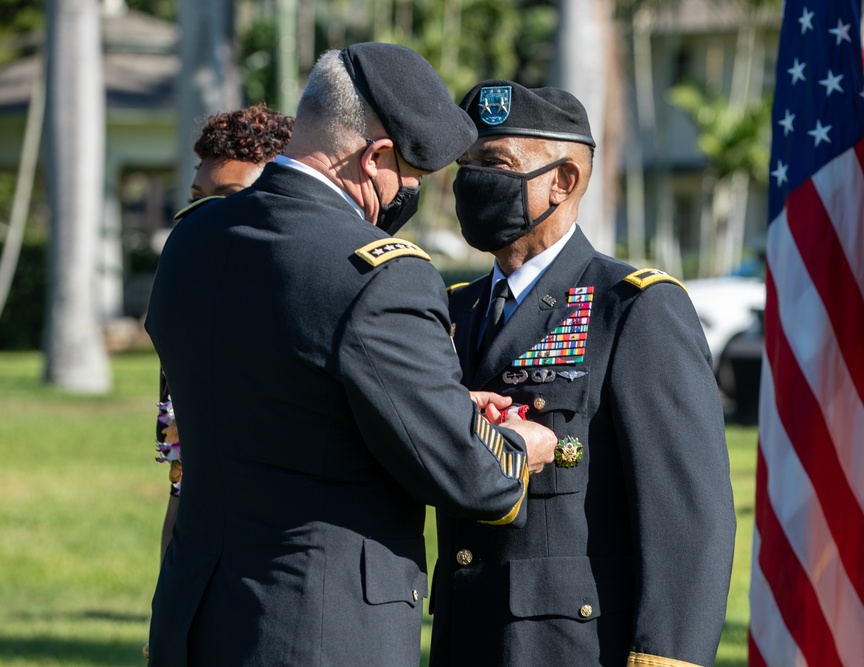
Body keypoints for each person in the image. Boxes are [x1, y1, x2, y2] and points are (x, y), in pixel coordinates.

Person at [144, 45, 557, 666]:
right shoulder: (379, 276)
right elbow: (469, 476)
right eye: (412, 176)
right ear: (375, 158)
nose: (410, 193)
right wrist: (522, 446)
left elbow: (282, 388)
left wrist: (428, 399)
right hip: (315, 627)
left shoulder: (193, 239)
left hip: (195, 612)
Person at [428, 80, 736, 667]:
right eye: (466, 165)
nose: (472, 182)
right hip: (465, 640)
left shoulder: (632, 307)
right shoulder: (456, 309)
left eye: (493, 163)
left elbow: (688, 516)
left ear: (563, 181)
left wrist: (666, 657)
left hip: (572, 648)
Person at [152, 103, 294, 562]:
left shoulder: (314, 311)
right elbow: (181, 486)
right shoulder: (190, 326)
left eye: (231, 197)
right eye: (197, 197)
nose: (205, 215)